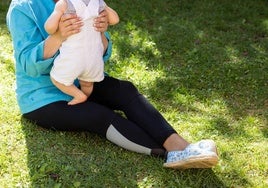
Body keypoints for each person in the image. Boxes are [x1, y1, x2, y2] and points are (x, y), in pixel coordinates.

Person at [6, 0, 219, 169]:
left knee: (124, 90)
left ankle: (181, 147)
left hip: (82, 79)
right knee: (97, 115)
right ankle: (166, 153)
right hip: (43, 96)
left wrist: (100, 32)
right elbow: (28, 65)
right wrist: (59, 36)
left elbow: (102, 54)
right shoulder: (23, 7)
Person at [45, 0, 119, 105]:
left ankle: (78, 95)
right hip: (94, 58)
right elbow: (115, 20)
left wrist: (56, 28)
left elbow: (49, 29)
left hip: (73, 57)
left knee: (57, 79)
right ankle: (85, 101)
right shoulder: (98, 2)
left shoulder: (64, 3)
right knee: (87, 84)